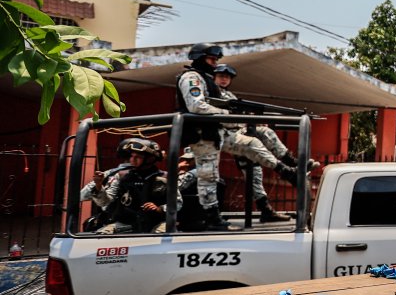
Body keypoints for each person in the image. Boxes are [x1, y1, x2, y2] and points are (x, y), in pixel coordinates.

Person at [210, 63, 295, 223]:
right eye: (221, 76)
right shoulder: (212, 94)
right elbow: (224, 119)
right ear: (214, 77)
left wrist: (251, 122)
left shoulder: (230, 95)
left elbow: (239, 117)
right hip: (226, 137)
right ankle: (286, 171)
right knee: (250, 167)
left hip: (239, 133)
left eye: (227, 77)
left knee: (257, 166)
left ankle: (290, 163)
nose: (224, 80)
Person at [177, 42, 234, 231]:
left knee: (212, 175)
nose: (214, 63)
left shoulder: (205, 78)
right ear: (200, 58)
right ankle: (211, 217)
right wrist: (224, 114)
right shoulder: (192, 77)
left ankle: (212, 216)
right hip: (200, 134)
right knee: (207, 176)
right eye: (211, 59)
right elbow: (196, 106)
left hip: (209, 134)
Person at [96, 138, 180, 234]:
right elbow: (104, 202)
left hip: (157, 223)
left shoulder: (166, 178)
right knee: (102, 234)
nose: (132, 159)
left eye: (138, 157)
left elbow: (178, 203)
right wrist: (98, 185)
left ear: (150, 158)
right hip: (127, 223)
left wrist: (159, 209)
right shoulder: (121, 176)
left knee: (160, 237)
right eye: (132, 156)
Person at [80, 139, 139, 230]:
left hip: (115, 224)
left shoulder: (109, 174)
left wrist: (99, 185)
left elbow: (83, 195)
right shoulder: (157, 175)